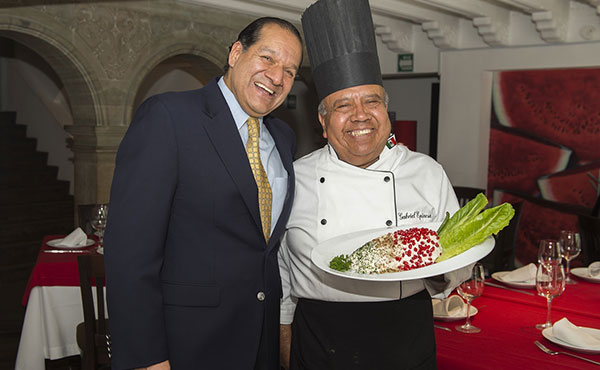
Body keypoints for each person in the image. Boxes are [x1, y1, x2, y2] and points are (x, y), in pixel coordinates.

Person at [278, 1, 470, 369]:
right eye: (343, 106)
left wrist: (439, 269)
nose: (360, 115)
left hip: (405, 335)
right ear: (323, 122)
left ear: (386, 111)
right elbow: (281, 270)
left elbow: (458, 255)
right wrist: (283, 337)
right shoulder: (295, 177)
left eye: (371, 101)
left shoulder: (427, 173)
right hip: (319, 337)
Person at [104, 17, 303, 370]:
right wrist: (146, 358)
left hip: (261, 343)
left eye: (290, 71)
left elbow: (264, 249)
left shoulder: (283, 138)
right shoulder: (169, 117)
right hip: (189, 345)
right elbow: (130, 255)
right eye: (268, 58)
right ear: (236, 52)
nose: (277, 77)